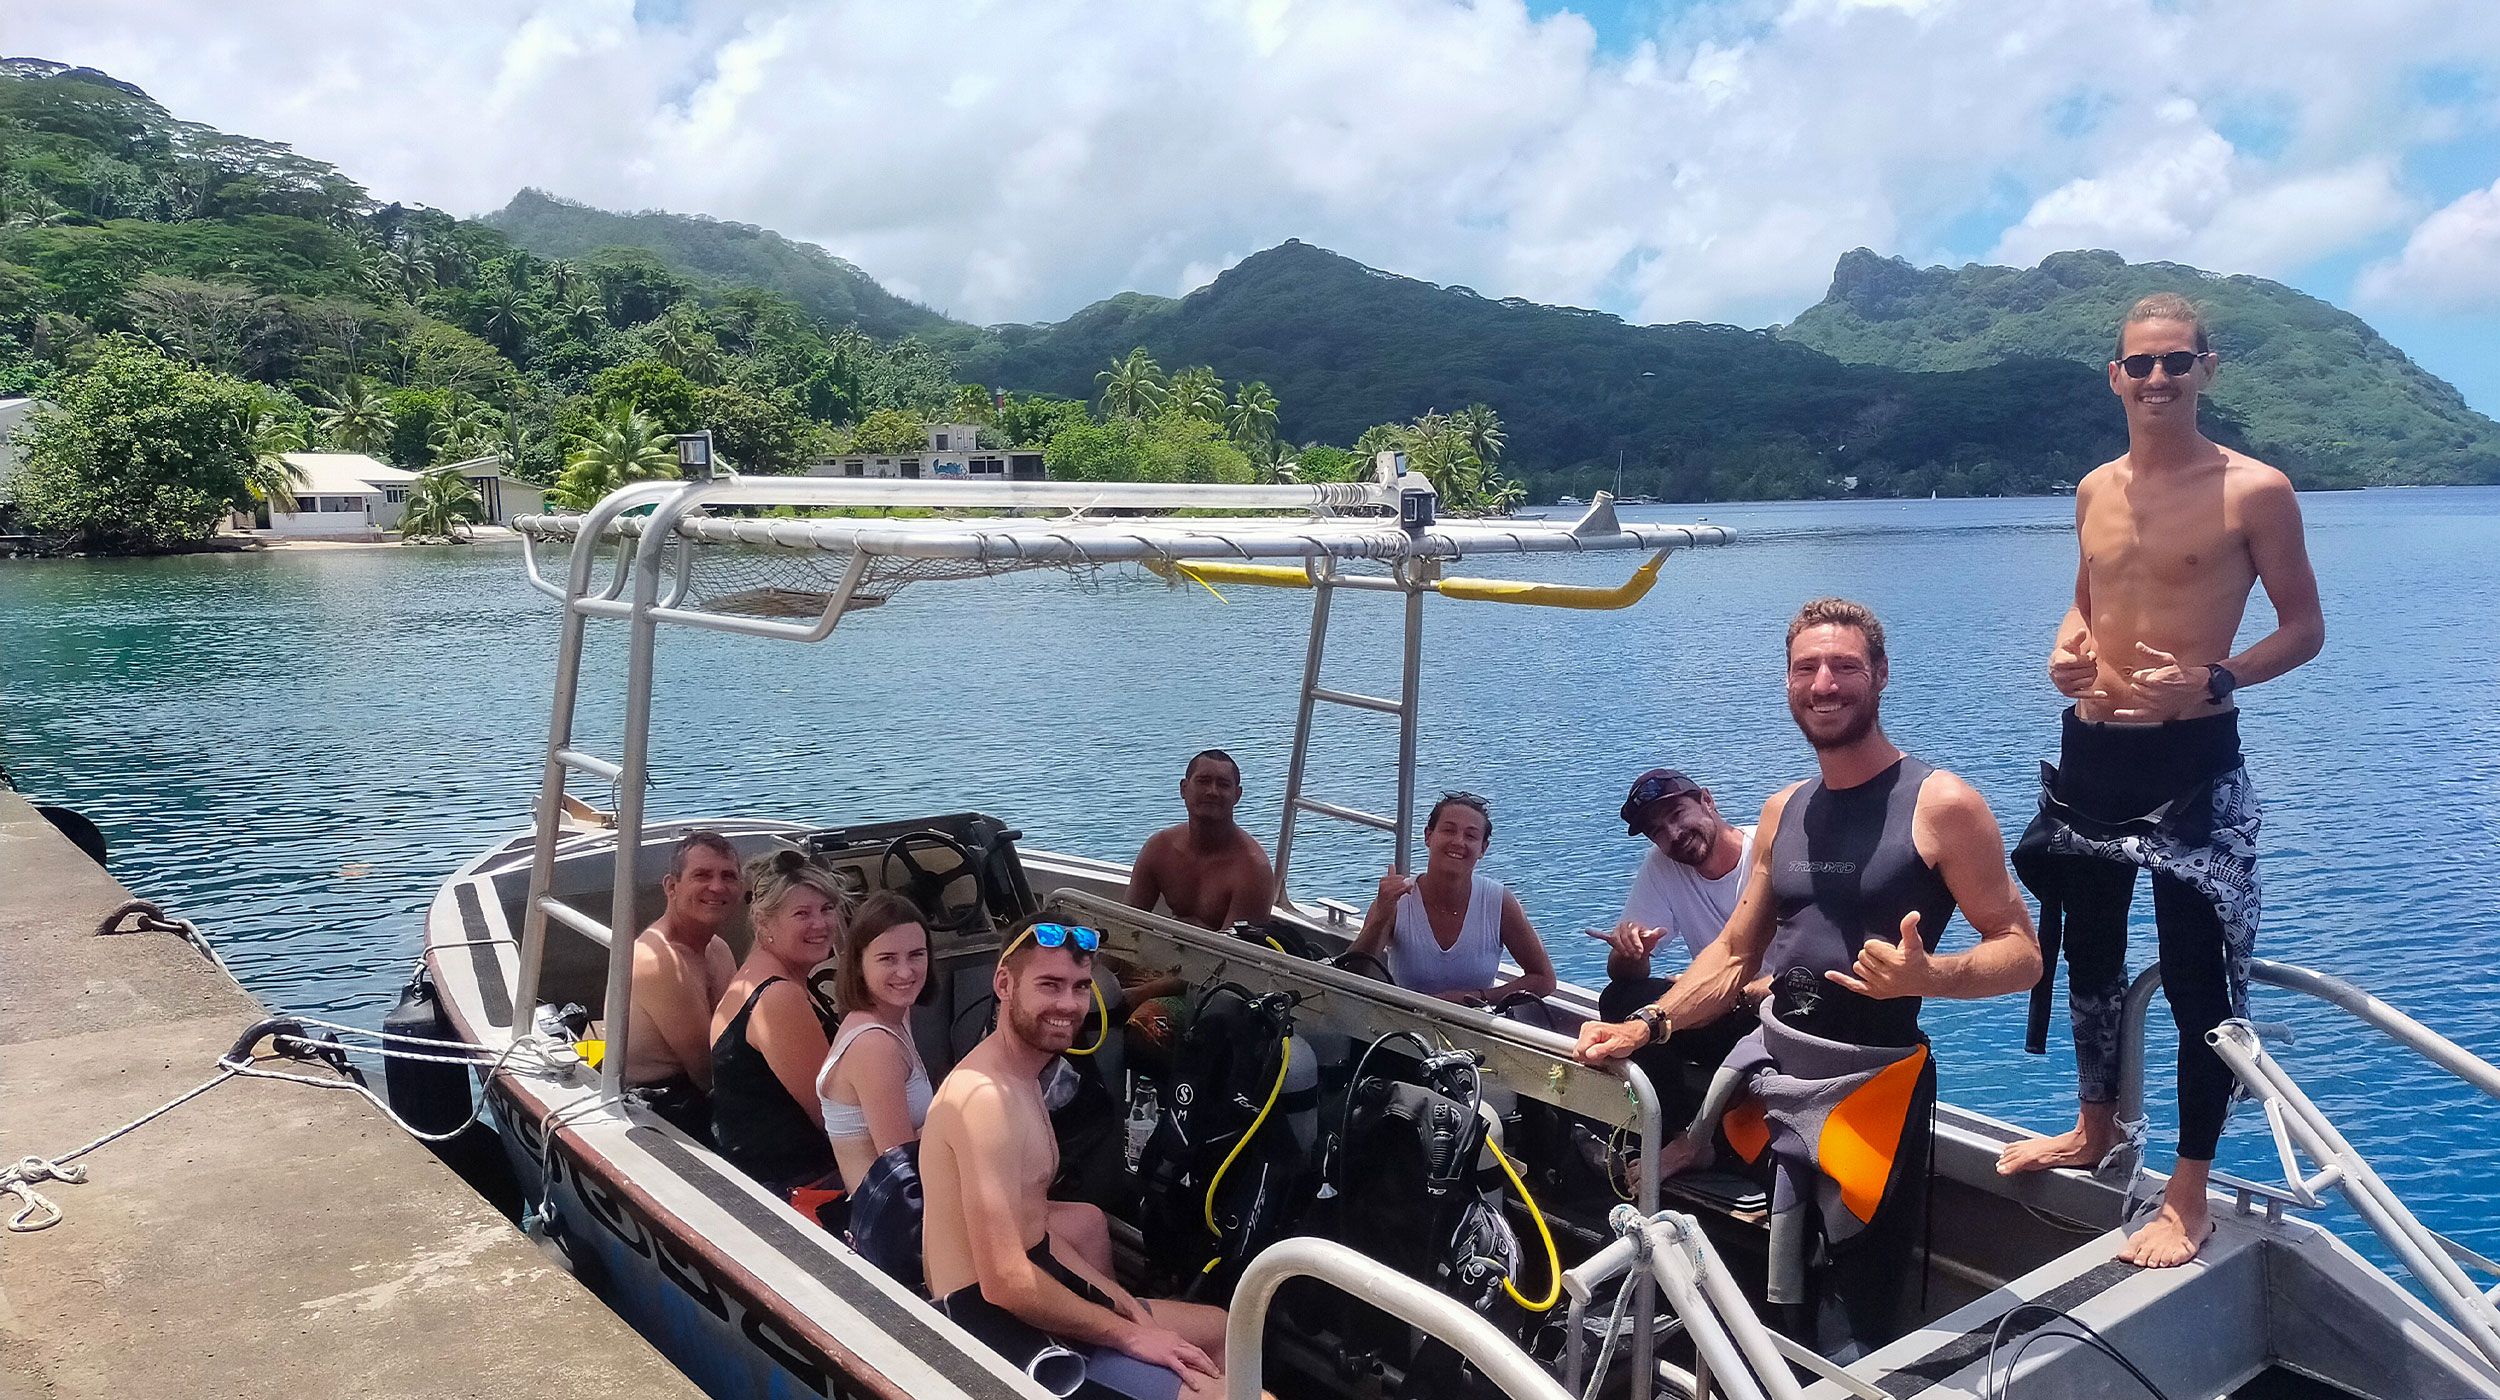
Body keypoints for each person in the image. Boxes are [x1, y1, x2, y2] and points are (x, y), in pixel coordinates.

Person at [1574, 599, 2040, 1348]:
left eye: (1845, 666)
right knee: (1779, 1290)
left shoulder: (1942, 802)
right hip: (1770, 1080)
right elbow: (1731, 955)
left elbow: (2022, 951)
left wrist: (1930, 974)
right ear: (1789, 683)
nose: (1825, 684)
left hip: (1869, 1091)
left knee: (1855, 1314)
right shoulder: (1785, 809)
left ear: (1881, 676)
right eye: (1806, 668)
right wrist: (1643, 1024)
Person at [1996, 293, 2325, 1270]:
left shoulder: (2253, 489)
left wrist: (2219, 674)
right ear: (2114, 376)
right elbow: (2086, 598)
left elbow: (2304, 627)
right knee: (2087, 955)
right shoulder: (2094, 487)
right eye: (2138, 365)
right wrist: (2065, 644)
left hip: (2190, 766)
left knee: (2196, 982)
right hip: (2093, 757)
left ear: (2205, 370)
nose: (2156, 380)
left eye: (2175, 363)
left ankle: (2188, 1189)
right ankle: (2094, 1122)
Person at [923, 920, 1231, 1400]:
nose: (1068, 1005)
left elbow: (1036, 1234)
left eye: (1080, 987)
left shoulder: (1022, 1076)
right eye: (1049, 985)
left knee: (1221, 1329)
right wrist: (1129, 1335)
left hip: (1032, 1288)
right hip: (990, 1333)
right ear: (1004, 983)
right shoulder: (984, 1099)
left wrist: (1122, 1306)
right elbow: (1004, 1284)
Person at [1585, 769, 1758, 1129]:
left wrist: (1723, 993)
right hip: (1722, 1011)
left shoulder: (1765, 852)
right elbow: (1625, 975)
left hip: (1777, 1008)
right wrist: (1632, 952)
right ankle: (1667, 1132)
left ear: (1707, 801)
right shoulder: (1663, 867)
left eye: (1677, 814)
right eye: (1657, 832)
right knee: (1621, 999)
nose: (1673, 835)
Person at [709, 848, 846, 1196]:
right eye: (802, 913)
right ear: (763, 922)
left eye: (827, 909)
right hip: (792, 1184)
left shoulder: (760, 975)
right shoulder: (777, 998)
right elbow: (833, 1117)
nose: (821, 924)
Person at [1344, 792, 1558, 1007]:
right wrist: (1382, 915)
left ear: (1483, 849)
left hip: (1474, 1027)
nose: (1458, 842)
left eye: (1471, 836)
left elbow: (1544, 979)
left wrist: (1479, 997)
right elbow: (1352, 972)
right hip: (1405, 1026)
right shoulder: (1398, 899)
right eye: (1448, 830)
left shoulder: (1499, 902)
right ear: (1428, 836)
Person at [623, 831, 743, 1141]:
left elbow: (737, 1037)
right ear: (671, 887)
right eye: (702, 875)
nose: (717, 887)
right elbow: (707, 1072)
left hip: (703, 1089)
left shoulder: (717, 948)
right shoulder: (659, 962)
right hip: (661, 1104)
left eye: (728, 876)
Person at [817, 890, 936, 1189]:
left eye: (916, 955)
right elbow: (901, 1167)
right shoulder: (874, 1046)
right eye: (887, 959)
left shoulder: (898, 1015)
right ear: (858, 963)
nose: (905, 971)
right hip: (891, 1220)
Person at [1125, 749, 1278, 932]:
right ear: (1184, 789)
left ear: (1237, 796)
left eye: (1223, 784)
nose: (1212, 791)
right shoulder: (1159, 848)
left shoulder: (1252, 869)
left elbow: (1235, 954)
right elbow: (1126, 924)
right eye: (1203, 781)